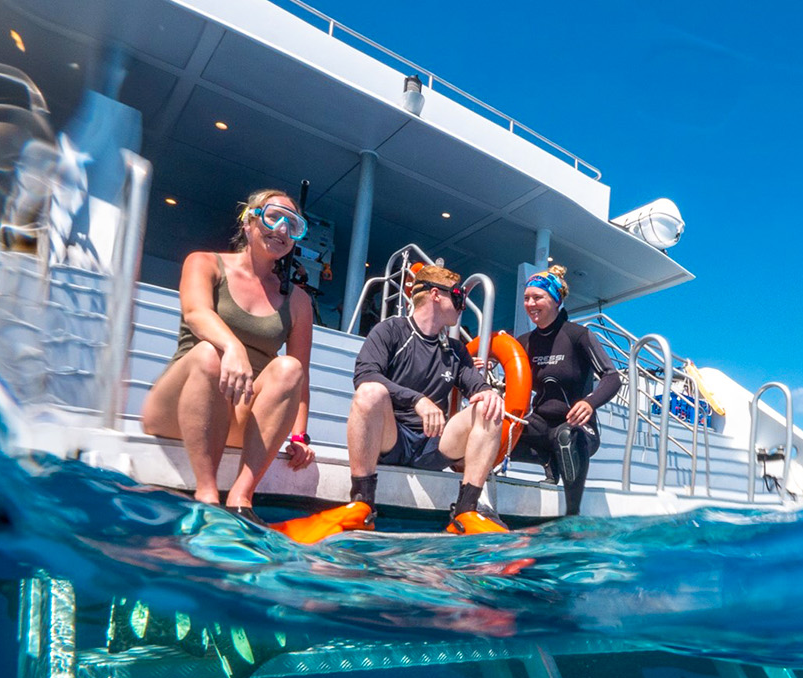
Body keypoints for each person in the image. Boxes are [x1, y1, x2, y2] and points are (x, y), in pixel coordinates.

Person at [141, 189, 315, 522]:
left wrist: (298, 437)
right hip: (178, 408)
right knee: (208, 353)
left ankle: (241, 498)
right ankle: (206, 493)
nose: (281, 229)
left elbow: (301, 378)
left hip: (239, 415)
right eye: (273, 216)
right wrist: (231, 347)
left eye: (292, 225)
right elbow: (195, 312)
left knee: (289, 368)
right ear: (249, 222)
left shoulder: (298, 302)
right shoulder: (204, 262)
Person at [347, 263, 507, 533]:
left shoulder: (455, 350)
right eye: (458, 297)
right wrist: (417, 400)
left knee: (488, 406)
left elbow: (475, 385)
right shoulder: (391, 331)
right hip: (392, 438)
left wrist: (488, 392)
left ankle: (466, 511)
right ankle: (362, 504)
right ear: (435, 294)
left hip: (433, 446)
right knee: (370, 392)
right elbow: (364, 376)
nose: (462, 306)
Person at [513, 265, 621, 515]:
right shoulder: (525, 342)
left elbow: (612, 377)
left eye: (537, 297)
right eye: (526, 298)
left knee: (566, 437)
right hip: (540, 425)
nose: (530, 304)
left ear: (556, 299)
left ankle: (572, 513)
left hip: (578, 429)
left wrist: (590, 402)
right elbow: (510, 378)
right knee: (499, 430)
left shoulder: (578, 335)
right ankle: (546, 460)